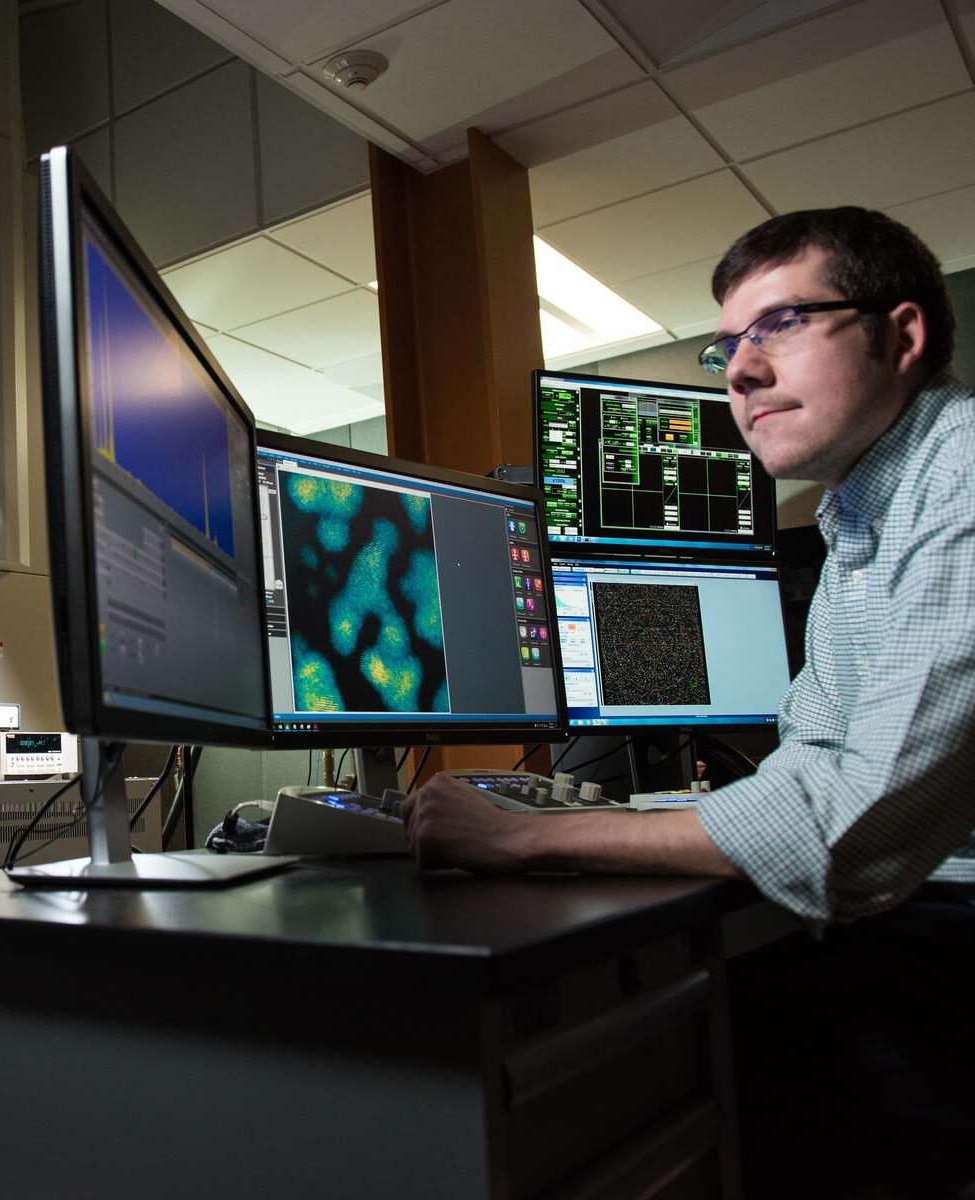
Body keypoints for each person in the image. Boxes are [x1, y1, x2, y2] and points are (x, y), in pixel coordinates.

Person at [403, 206, 975, 1197]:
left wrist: (524, 839)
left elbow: (845, 829)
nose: (742, 372)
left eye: (782, 323)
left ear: (903, 333)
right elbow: (812, 758)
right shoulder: (862, 515)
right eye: (728, 346)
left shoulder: (959, 482)